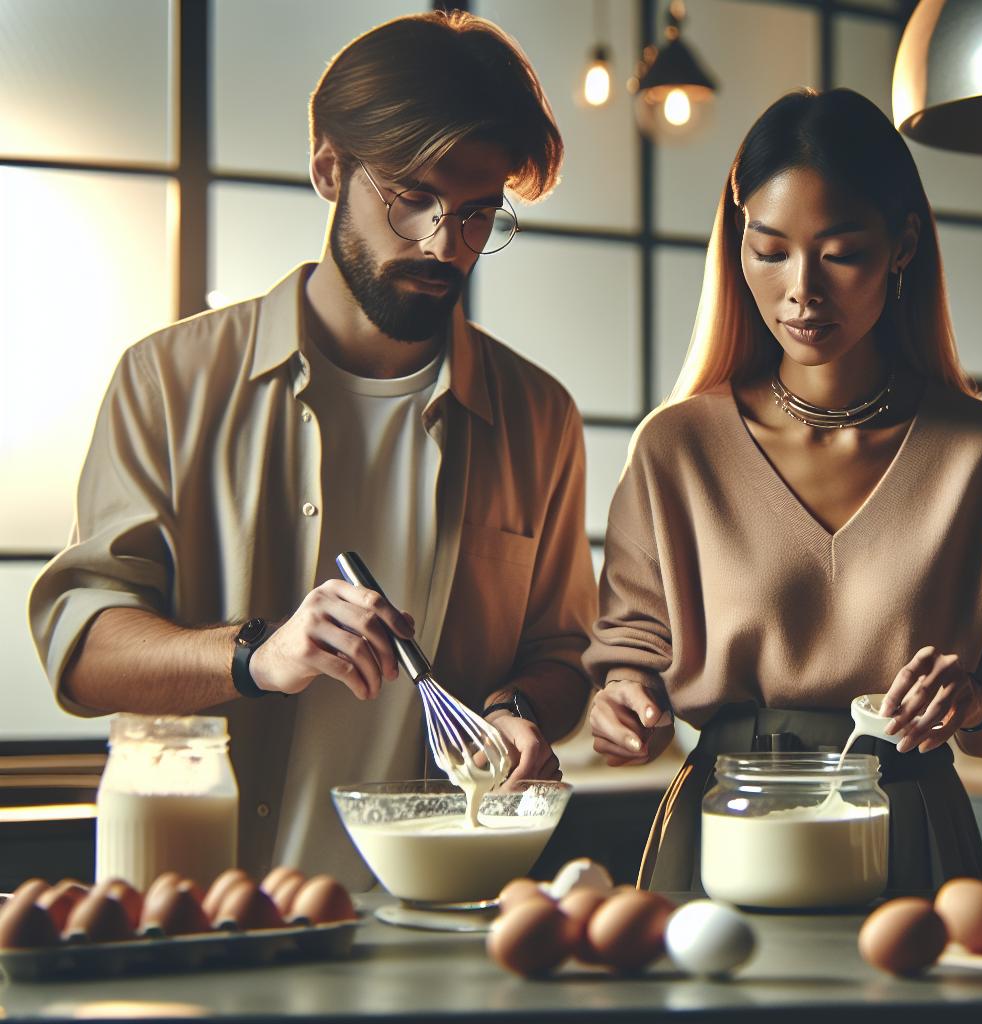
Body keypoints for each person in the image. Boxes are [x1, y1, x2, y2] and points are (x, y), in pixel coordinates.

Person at [28, 11, 597, 887]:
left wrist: (517, 710)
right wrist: (259, 657)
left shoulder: (537, 415)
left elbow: (563, 654)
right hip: (210, 906)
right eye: (413, 198)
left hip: (436, 914)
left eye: (479, 213)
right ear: (330, 168)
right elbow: (85, 649)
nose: (445, 245)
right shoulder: (168, 380)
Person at [585, 88, 982, 891]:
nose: (802, 289)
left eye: (840, 253)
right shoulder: (677, 448)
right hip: (725, 823)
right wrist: (623, 706)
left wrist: (974, 706)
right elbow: (628, 667)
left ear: (902, 246)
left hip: (910, 835)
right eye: (769, 251)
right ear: (737, 250)